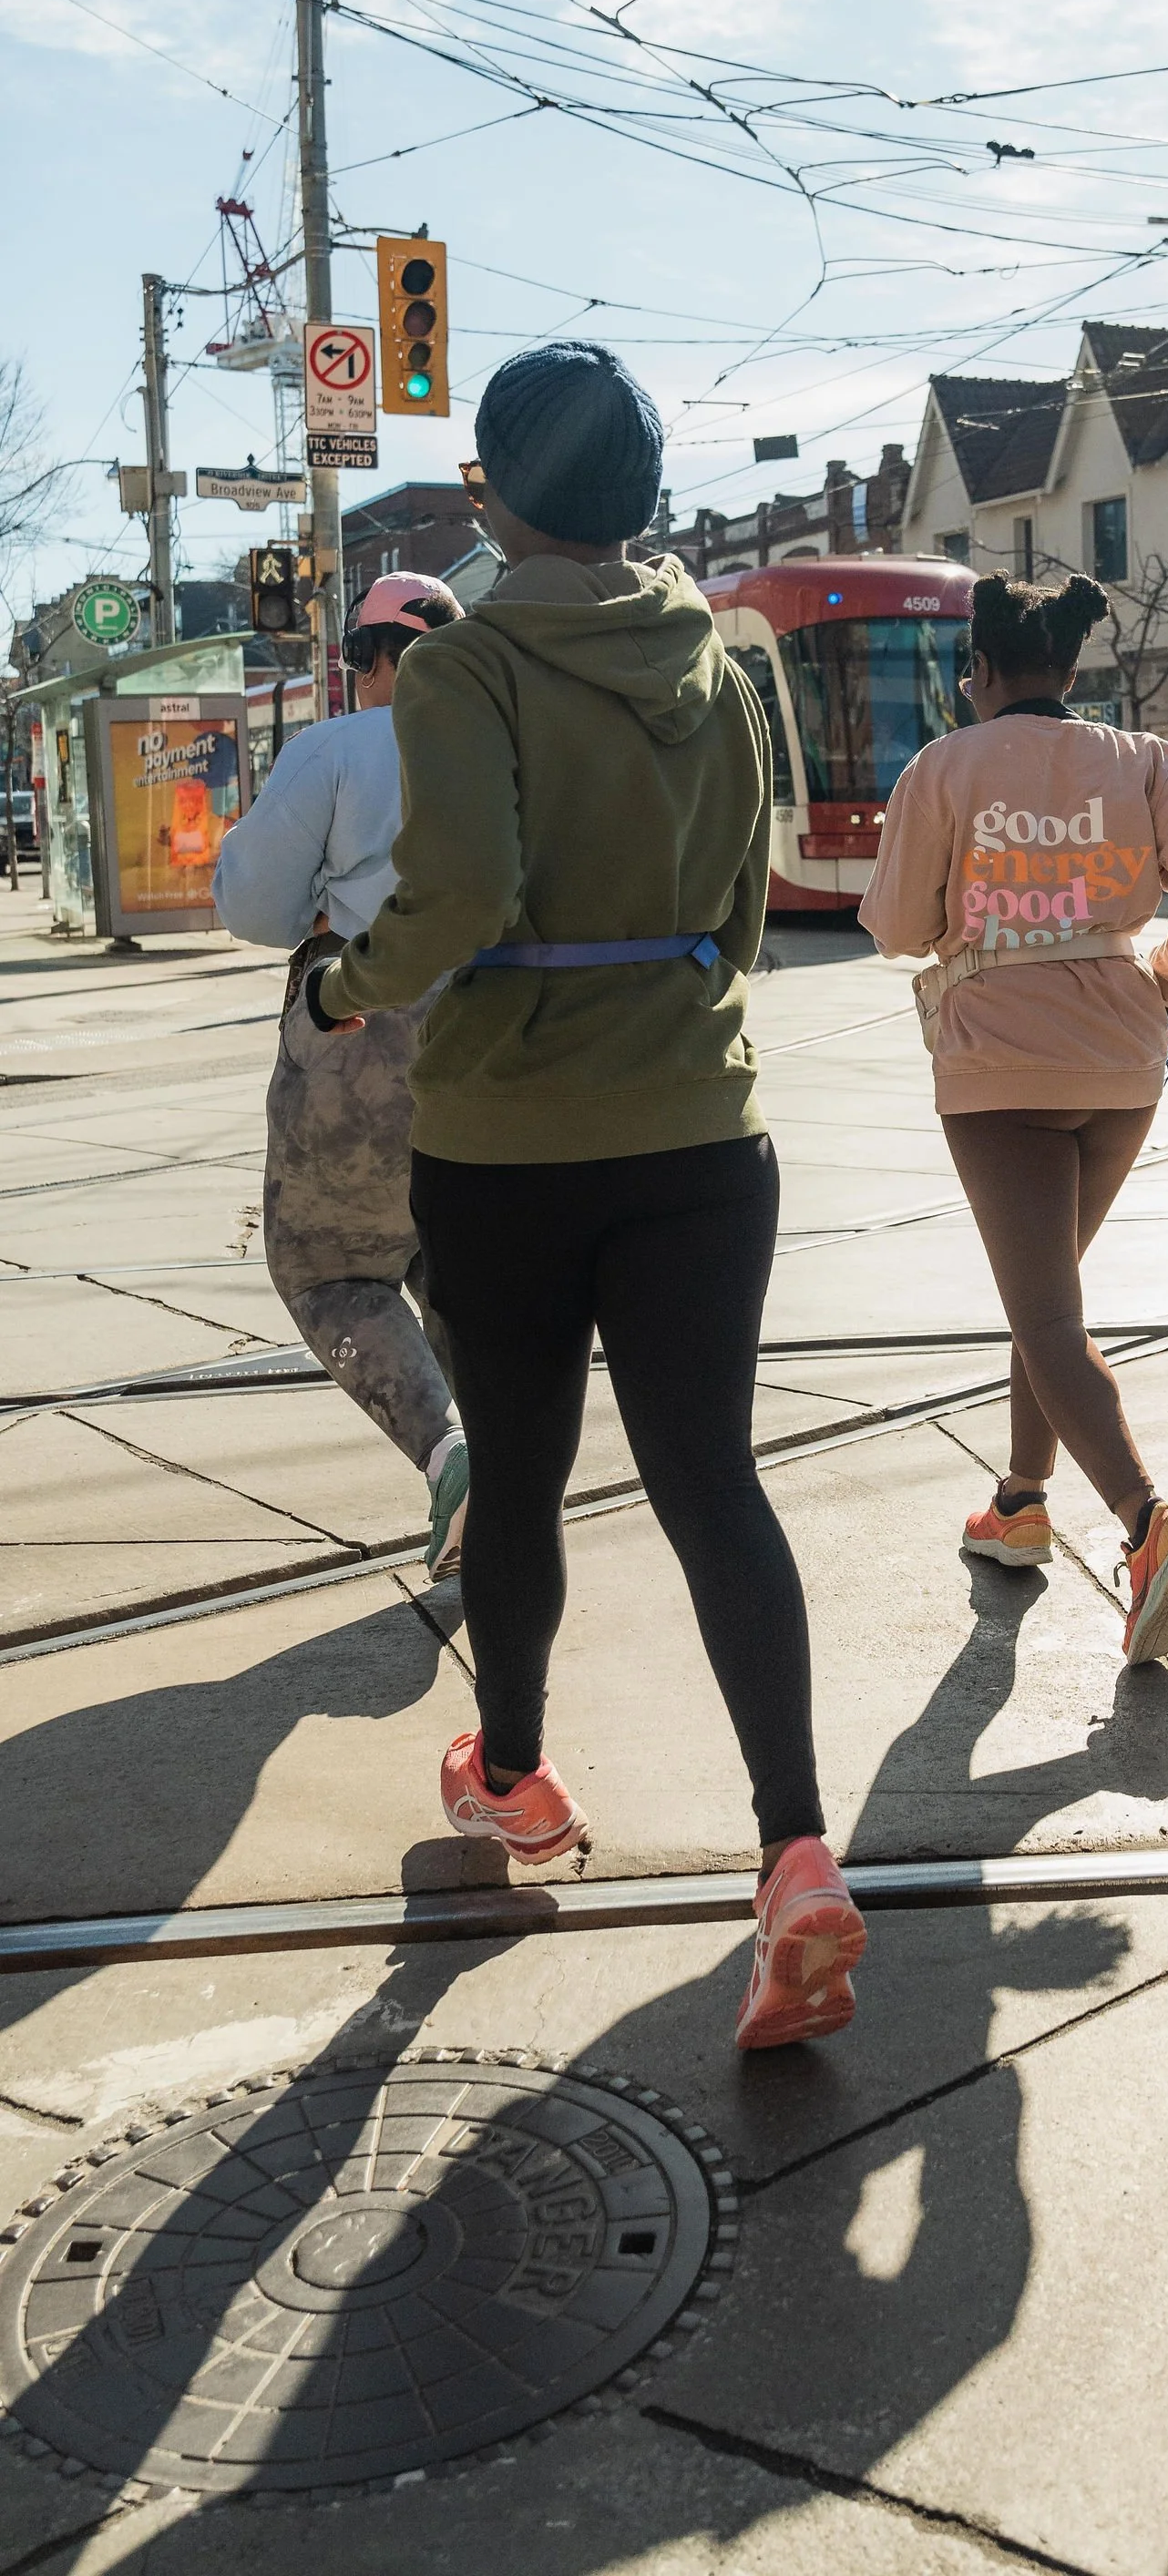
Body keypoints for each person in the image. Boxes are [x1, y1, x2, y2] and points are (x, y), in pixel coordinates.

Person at [302, 342, 863, 2051]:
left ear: (496, 491)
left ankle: (524, 1782)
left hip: (510, 1139)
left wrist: (347, 984)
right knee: (715, 1483)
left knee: (526, 1478)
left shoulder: (471, 669)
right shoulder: (714, 652)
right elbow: (751, 889)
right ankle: (795, 1852)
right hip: (705, 1125)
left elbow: (457, 896)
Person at [859, 569, 1168, 1665]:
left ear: (975, 672)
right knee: (1050, 1304)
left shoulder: (946, 766)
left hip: (999, 1063)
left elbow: (895, 923)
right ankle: (1021, 1502)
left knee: (1045, 1319)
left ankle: (1146, 1524)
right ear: (1072, 670)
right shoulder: (1148, 761)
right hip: (1123, 1057)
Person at [215, 572, 473, 1578]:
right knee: (462, 1265)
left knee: (330, 1267)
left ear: (374, 660)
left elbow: (254, 908)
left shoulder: (335, 748)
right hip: (502, 1030)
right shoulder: (511, 745)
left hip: (358, 1023)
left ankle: (453, 1458)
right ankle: (503, 1477)